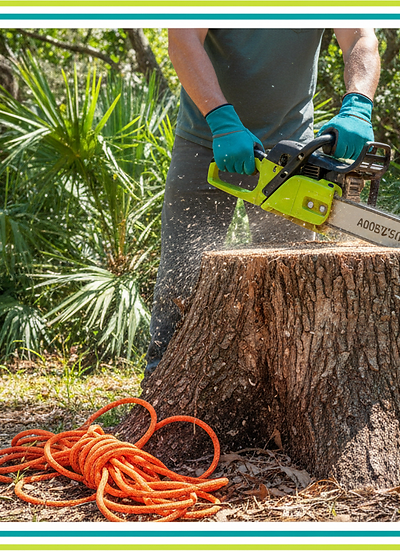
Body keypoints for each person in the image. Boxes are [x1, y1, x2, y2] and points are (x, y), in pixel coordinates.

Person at [145, 28, 381, 374]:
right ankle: (160, 383)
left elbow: (361, 37)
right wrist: (221, 120)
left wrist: (358, 103)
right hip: (207, 138)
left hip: (292, 149)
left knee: (292, 280)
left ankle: (291, 388)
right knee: (182, 271)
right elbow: (183, 38)